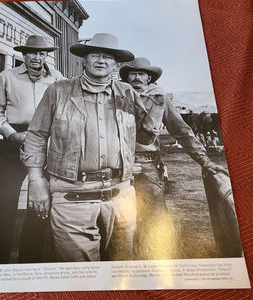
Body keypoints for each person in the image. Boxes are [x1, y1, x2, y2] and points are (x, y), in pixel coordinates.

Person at [21, 33, 157, 262]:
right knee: (81, 275)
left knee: (121, 272)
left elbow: (145, 138)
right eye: (96, 55)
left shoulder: (128, 94)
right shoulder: (58, 91)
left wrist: (157, 109)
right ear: (84, 60)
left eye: (108, 57)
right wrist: (35, 181)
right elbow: (36, 135)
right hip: (73, 197)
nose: (101, 61)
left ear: (115, 64)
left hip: (121, 195)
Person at [119, 57, 228, 259]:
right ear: (126, 77)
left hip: (148, 166)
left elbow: (182, 131)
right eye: (132, 73)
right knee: (119, 221)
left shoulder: (160, 98)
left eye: (141, 73)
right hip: (116, 166)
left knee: (153, 221)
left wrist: (204, 160)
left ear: (149, 77)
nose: (136, 77)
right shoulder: (117, 95)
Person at [0, 35, 64, 264]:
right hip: (13, 144)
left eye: (41, 53)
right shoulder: (6, 76)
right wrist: (12, 134)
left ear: (46, 55)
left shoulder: (57, 78)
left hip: (45, 146)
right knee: (5, 204)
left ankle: (30, 262)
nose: (37, 58)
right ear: (24, 55)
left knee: (39, 206)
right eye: (31, 53)